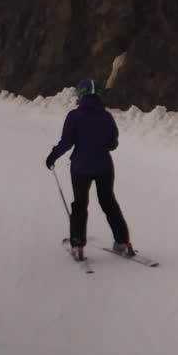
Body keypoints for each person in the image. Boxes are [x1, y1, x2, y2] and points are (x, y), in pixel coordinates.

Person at [46, 79, 134, 260]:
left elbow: (66, 143)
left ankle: (77, 245)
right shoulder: (107, 117)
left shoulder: (74, 116)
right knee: (109, 202)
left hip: (80, 168)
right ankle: (123, 243)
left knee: (79, 205)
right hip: (104, 167)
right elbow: (113, 143)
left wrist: (52, 157)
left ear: (81, 94)